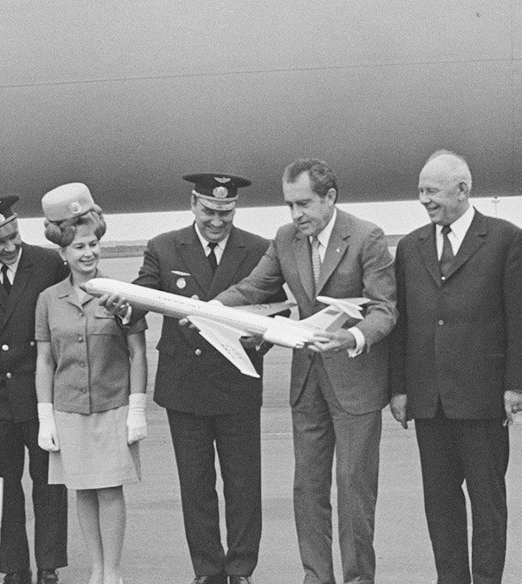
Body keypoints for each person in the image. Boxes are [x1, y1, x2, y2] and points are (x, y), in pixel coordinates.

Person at [217, 158, 396, 584]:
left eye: (304, 204)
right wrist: (210, 309)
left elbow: (385, 309)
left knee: (354, 490)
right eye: (289, 205)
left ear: (330, 198)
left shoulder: (366, 237)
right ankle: (316, 576)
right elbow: (255, 287)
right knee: (308, 490)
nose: (296, 215)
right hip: (307, 384)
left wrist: (352, 338)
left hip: (355, 382)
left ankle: (357, 579)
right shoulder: (285, 238)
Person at [121, 173, 285, 584]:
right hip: (185, 386)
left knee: (244, 485)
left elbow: (277, 308)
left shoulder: (259, 249)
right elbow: (143, 293)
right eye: (210, 211)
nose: (217, 220)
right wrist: (123, 309)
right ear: (193, 204)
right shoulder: (164, 247)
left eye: (226, 212)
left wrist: (261, 338)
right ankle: (208, 572)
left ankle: (242, 569)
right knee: (196, 486)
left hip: (237, 381)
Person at [388, 150, 522, 584]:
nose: (423, 200)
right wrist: (398, 388)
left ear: (462, 190)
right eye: (420, 191)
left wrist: (517, 385)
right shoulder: (410, 246)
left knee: (488, 503)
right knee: (440, 504)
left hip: (484, 398)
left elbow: (520, 319)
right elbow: (403, 324)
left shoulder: (506, 238)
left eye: (431, 191)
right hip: (428, 400)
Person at [35, 182, 148, 584]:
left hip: (112, 406)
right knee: (82, 490)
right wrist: (45, 415)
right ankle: (95, 570)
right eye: (79, 247)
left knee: (110, 489)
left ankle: (112, 573)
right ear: (63, 253)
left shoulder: (121, 293)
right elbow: (45, 359)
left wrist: (137, 408)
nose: (88, 253)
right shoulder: (48, 299)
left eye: (93, 244)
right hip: (69, 409)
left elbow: (138, 350)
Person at [0, 195, 69, 584]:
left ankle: (49, 566)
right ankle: (14, 568)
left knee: (49, 486)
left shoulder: (49, 264)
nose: (9, 247)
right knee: (4, 488)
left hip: (42, 398)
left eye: (13, 236)